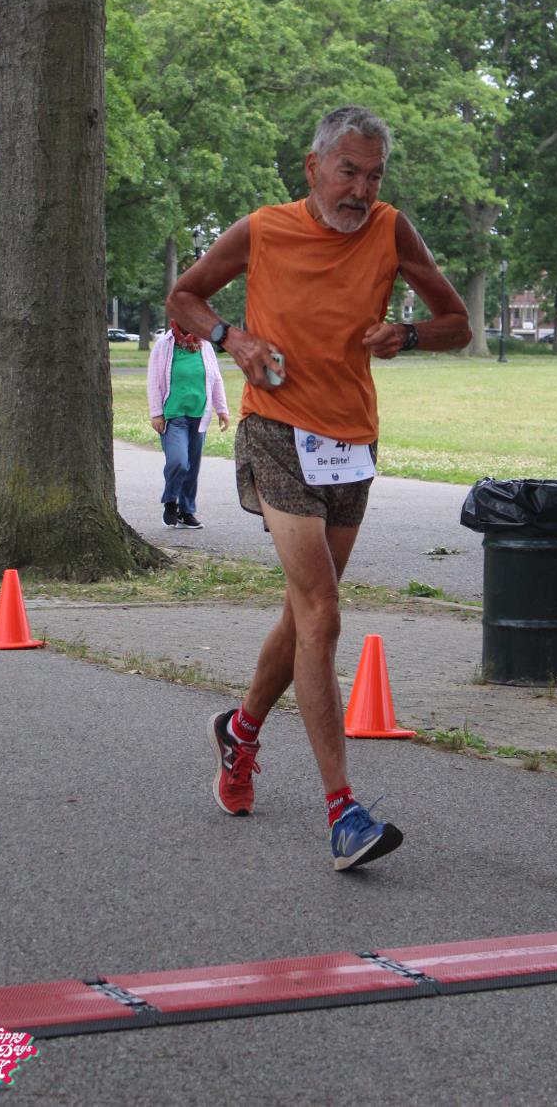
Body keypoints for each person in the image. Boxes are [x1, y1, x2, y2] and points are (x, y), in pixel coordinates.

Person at [168, 105, 471, 871]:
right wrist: (233, 339)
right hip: (274, 431)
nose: (361, 191)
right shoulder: (263, 230)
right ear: (313, 168)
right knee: (324, 612)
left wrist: (405, 334)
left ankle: (240, 732)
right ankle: (344, 812)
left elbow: (458, 323)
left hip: (351, 444)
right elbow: (184, 297)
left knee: (304, 613)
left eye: (374, 176)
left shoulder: (392, 231)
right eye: (348, 172)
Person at [146, 320, 230, 530]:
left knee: (192, 467)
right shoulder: (164, 344)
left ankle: (186, 511)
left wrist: (222, 409)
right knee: (179, 462)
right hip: (174, 415)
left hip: (199, 414)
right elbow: (153, 380)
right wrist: (156, 413)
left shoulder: (205, 345)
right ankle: (170, 501)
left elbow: (216, 379)